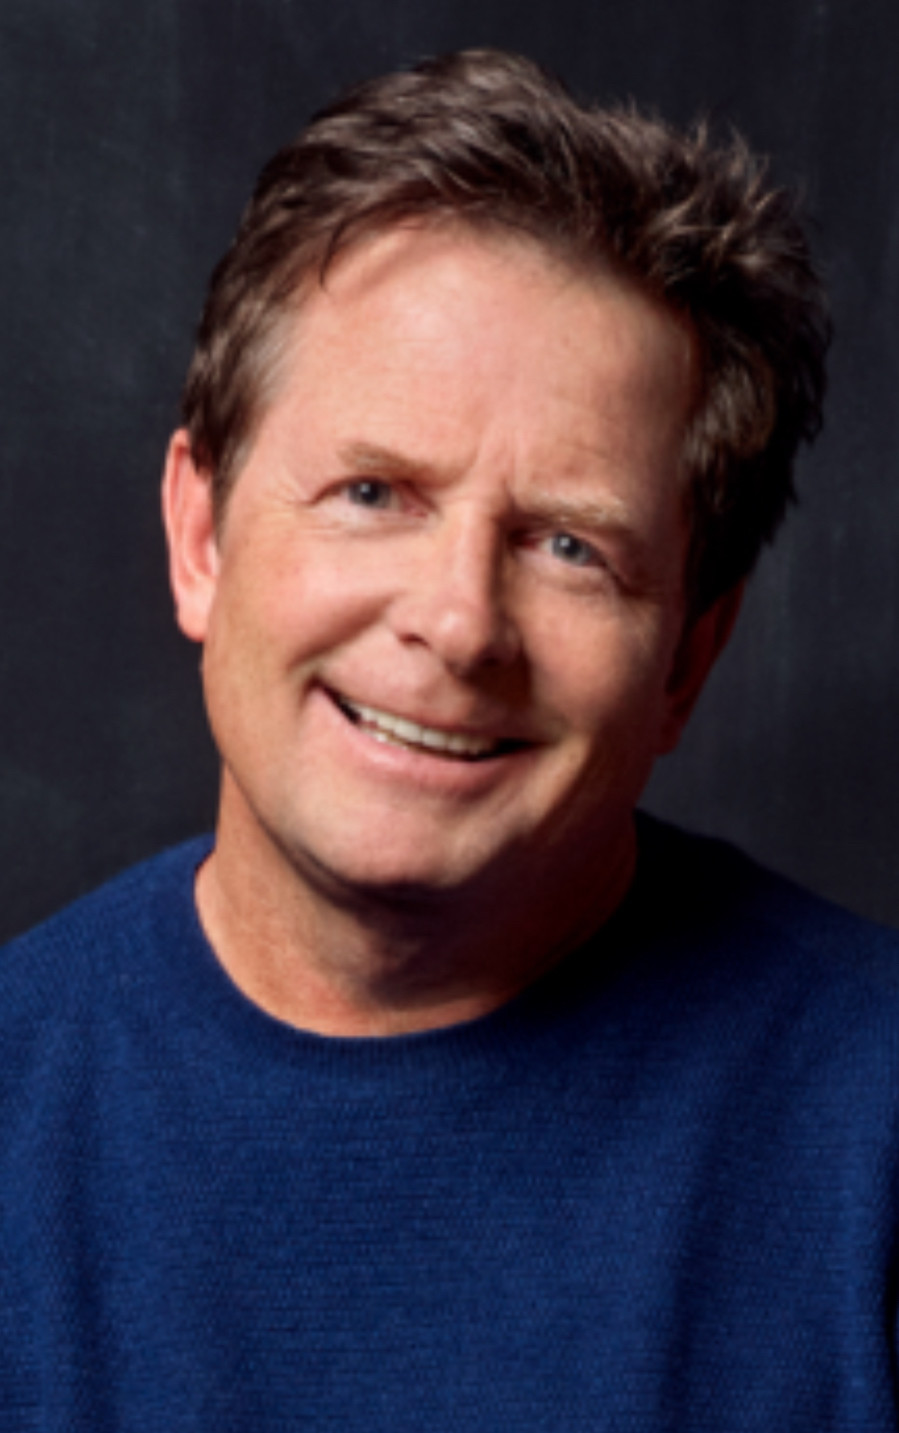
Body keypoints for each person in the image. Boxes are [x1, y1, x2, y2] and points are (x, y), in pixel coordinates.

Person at [1, 47, 896, 1431]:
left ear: (689, 658)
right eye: (374, 492)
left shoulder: (874, 1130)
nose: (462, 623)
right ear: (201, 537)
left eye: (569, 545)